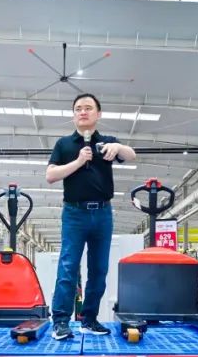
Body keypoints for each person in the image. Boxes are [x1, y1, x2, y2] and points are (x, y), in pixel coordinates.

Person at [46, 93, 136, 340]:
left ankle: (89, 320)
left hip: (103, 214)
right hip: (74, 214)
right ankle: (61, 321)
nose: (83, 112)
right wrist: (78, 161)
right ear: (73, 115)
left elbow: (131, 155)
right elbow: (50, 176)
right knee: (68, 267)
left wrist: (119, 148)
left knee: (98, 269)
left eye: (88, 108)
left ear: (98, 113)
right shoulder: (64, 144)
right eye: (78, 108)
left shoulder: (107, 142)